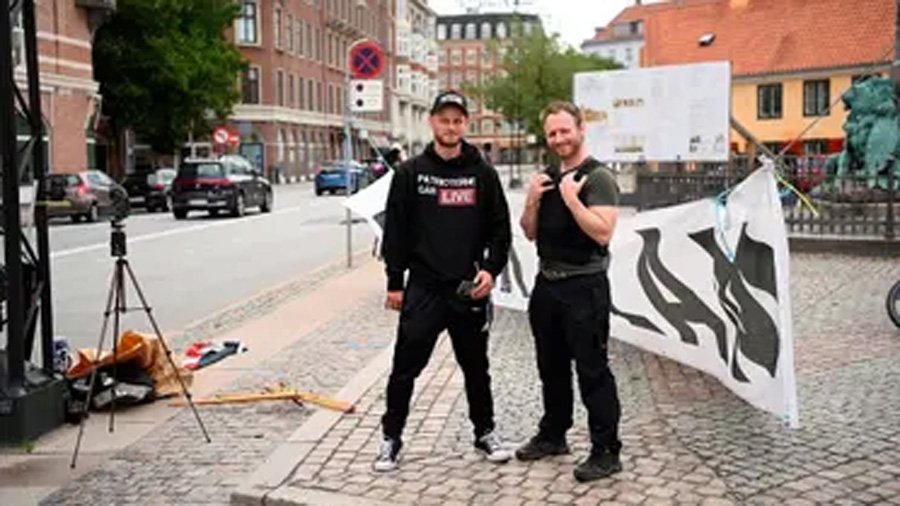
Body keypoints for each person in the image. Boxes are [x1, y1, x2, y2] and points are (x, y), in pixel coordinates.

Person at [374, 90, 513, 472]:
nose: (451, 127)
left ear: (465, 124)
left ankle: (485, 433)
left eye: (457, 120)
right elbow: (396, 232)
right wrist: (394, 282)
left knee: (476, 368)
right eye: (444, 120)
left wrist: (491, 269)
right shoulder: (410, 173)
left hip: (467, 289)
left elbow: (500, 229)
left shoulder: (482, 173)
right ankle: (390, 438)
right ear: (432, 122)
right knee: (405, 367)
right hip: (424, 288)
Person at [516, 101, 623, 482]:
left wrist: (572, 199)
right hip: (547, 285)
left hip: (585, 286)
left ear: (580, 130)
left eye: (565, 130)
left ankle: (606, 451)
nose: (559, 138)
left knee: (592, 370)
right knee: (551, 366)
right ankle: (553, 434)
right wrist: (533, 199)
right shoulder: (545, 178)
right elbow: (529, 231)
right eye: (552, 133)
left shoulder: (598, 178)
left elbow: (603, 232)